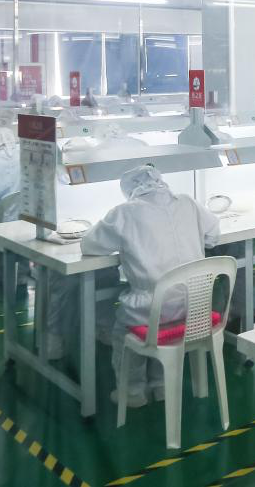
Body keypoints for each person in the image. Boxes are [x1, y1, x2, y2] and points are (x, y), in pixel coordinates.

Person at [80, 164, 221, 407]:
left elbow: (90, 245)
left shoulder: (125, 213)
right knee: (161, 316)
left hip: (152, 309)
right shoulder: (188, 203)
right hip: (195, 306)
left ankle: (132, 392)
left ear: (130, 190)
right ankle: (161, 385)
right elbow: (213, 236)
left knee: (123, 333)